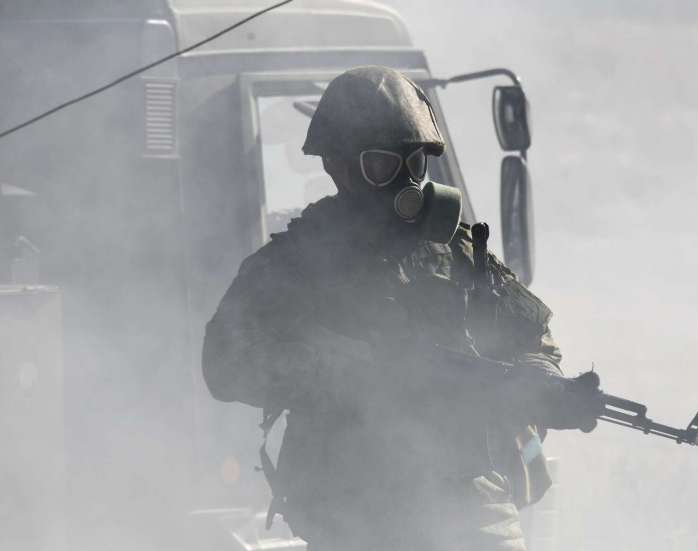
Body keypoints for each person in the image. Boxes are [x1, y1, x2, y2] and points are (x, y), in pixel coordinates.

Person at [201, 66, 602, 551]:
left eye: (416, 162)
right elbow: (223, 363)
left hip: (470, 505)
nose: (407, 181)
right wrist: (349, 371)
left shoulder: (457, 250)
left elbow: (532, 341)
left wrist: (543, 387)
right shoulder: (295, 262)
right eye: (383, 164)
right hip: (352, 514)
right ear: (339, 166)